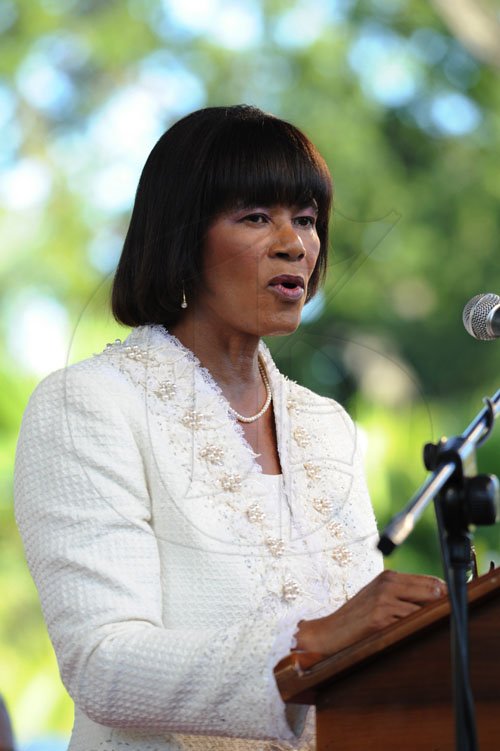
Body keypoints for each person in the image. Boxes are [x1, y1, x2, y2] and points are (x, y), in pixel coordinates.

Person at [14, 105, 446, 751]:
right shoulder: (89, 405)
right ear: (181, 236)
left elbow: (366, 653)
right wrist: (313, 640)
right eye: (255, 216)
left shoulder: (328, 428)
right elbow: (103, 663)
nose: (294, 242)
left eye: (305, 218)